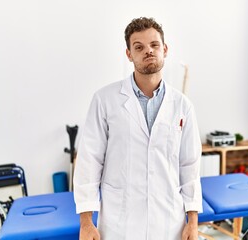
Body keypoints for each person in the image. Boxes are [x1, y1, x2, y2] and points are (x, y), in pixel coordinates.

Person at [73, 17, 202, 240]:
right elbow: (89, 161)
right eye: (139, 47)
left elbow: (190, 166)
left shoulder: (182, 105)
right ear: (129, 54)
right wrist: (86, 222)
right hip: (120, 223)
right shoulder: (105, 100)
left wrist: (192, 221)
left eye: (154, 45)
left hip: (169, 221)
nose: (148, 51)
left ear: (165, 49)